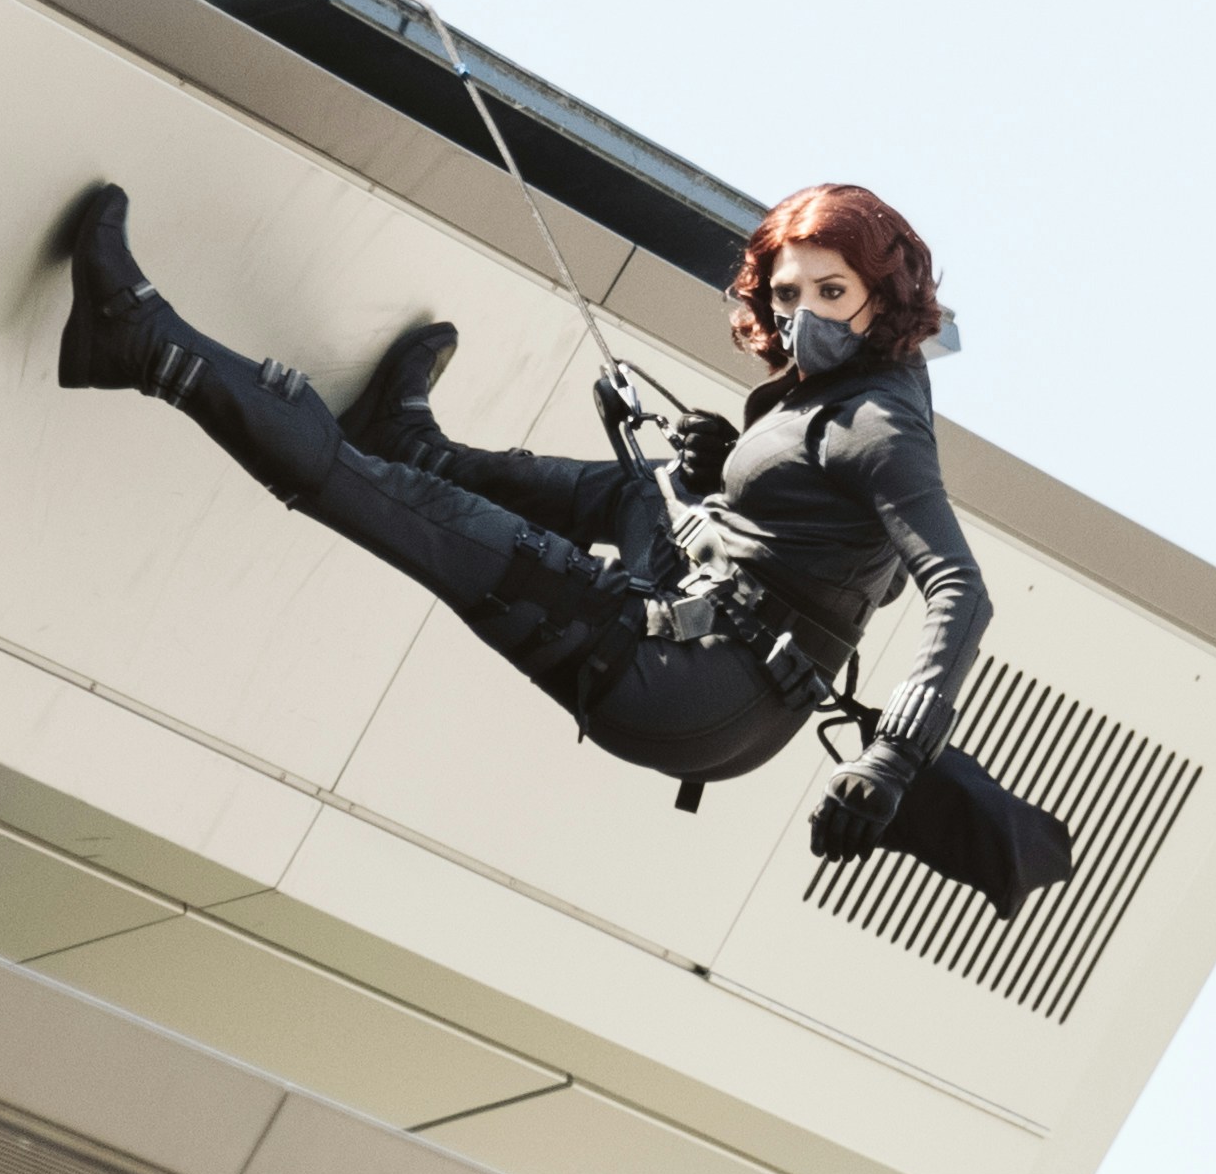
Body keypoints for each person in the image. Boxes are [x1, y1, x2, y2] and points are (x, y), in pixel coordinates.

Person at [49, 169, 997, 864]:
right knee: (637, 487)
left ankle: (140, 345)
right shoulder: (841, 388)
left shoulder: (878, 426)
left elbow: (961, 592)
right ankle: (412, 440)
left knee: (413, 512)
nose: (804, 321)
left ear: (887, 293)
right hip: (715, 632)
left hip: (688, 686)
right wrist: (714, 476)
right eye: (788, 296)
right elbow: (800, 541)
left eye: (832, 293)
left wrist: (893, 760)